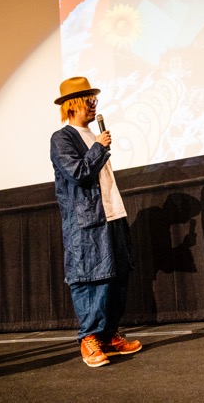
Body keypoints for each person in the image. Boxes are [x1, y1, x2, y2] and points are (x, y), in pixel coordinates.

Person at [50, 76, 141, 367]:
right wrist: (99, 148)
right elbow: (78, 174)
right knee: (92, 278)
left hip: (113, 213)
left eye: (94, 99)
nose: (93, 105)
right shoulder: (62, 138)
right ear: (72, 105)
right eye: (88, 100)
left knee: (118, 277)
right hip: (87, 222)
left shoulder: (92, 136)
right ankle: (89, 338)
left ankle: (110, 335)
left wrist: (98, 146)